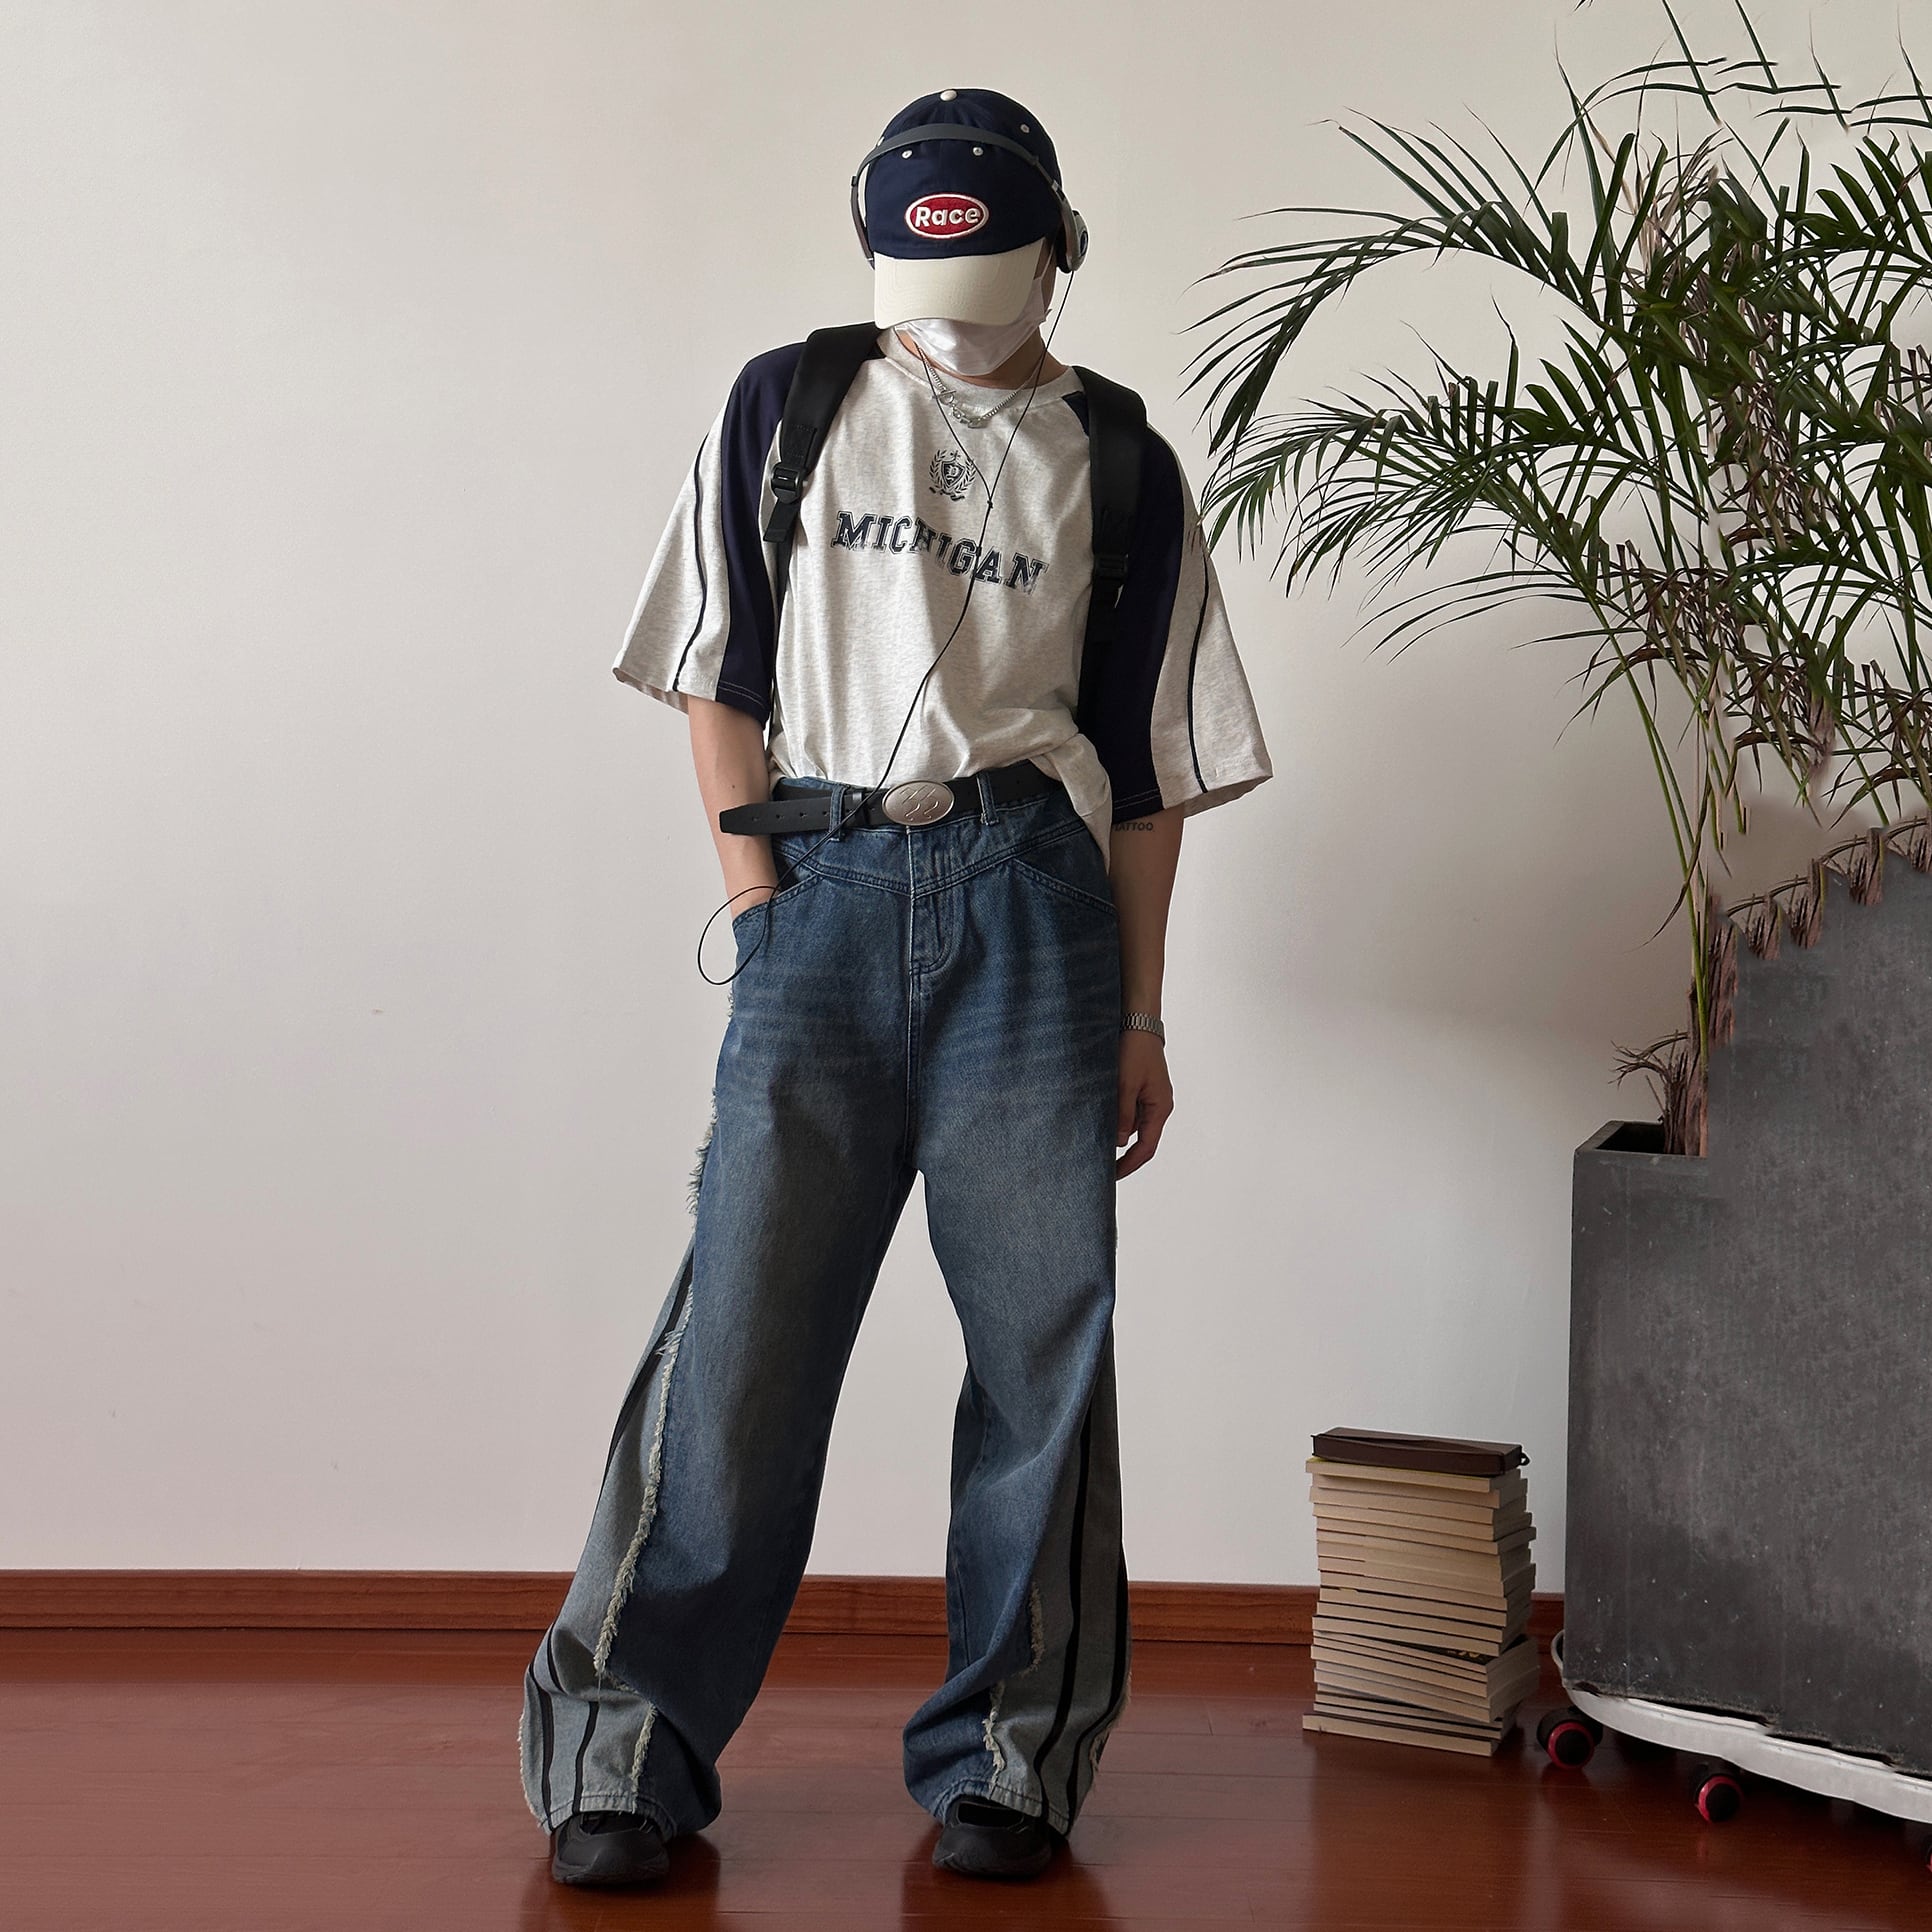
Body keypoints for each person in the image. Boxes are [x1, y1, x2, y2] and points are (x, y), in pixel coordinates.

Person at [520, 85, 1272, 1889]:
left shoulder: (1122, 461)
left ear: (1056, 256)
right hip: (826, 890)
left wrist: (1143, 1016)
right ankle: (625, 1752)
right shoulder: (789, 403)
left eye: (985, 273)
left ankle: (1012, 1760)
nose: (948, 313)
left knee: (1039, 1349)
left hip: (1034, 906)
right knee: (743, 1340)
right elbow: (715, 678)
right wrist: (762, 907)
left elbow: (1149, 778)